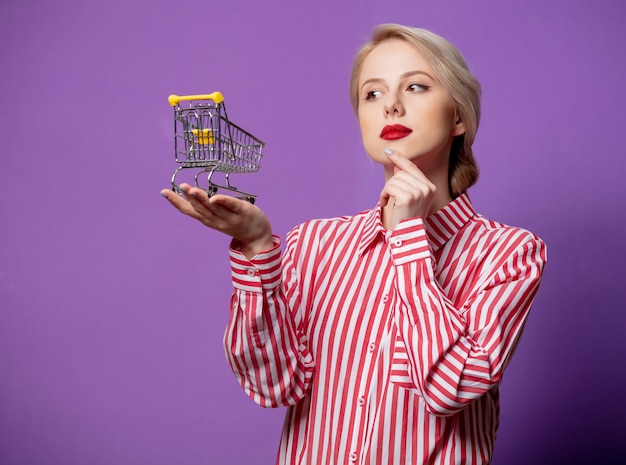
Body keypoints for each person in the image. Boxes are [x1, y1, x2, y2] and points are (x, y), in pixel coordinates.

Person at [161, 23, 546, 465]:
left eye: (416, 86)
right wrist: (255, 247)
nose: (392, 107)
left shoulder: (509, 254)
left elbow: (451, 386)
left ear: (458, 116)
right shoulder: (313, 245)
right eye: (373, 94)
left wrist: (407, 237)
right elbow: (273, 386)